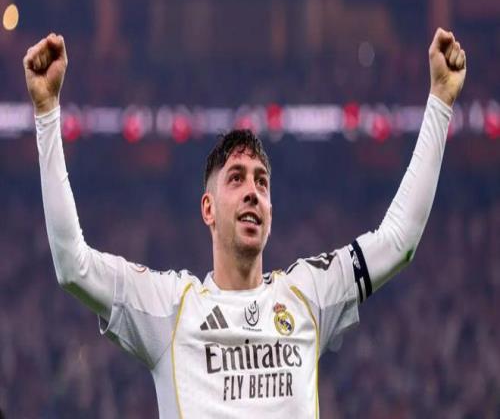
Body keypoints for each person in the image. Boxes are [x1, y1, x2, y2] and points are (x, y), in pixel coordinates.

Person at [23, 28, 466, 418]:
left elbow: (400, 240)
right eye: (236, 179)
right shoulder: (170, 310)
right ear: (208, 209)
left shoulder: (307, 295)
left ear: (270, 212)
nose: (253, 190)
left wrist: (441, 102)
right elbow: (72, 265)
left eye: (261, 182)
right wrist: (46, 113)